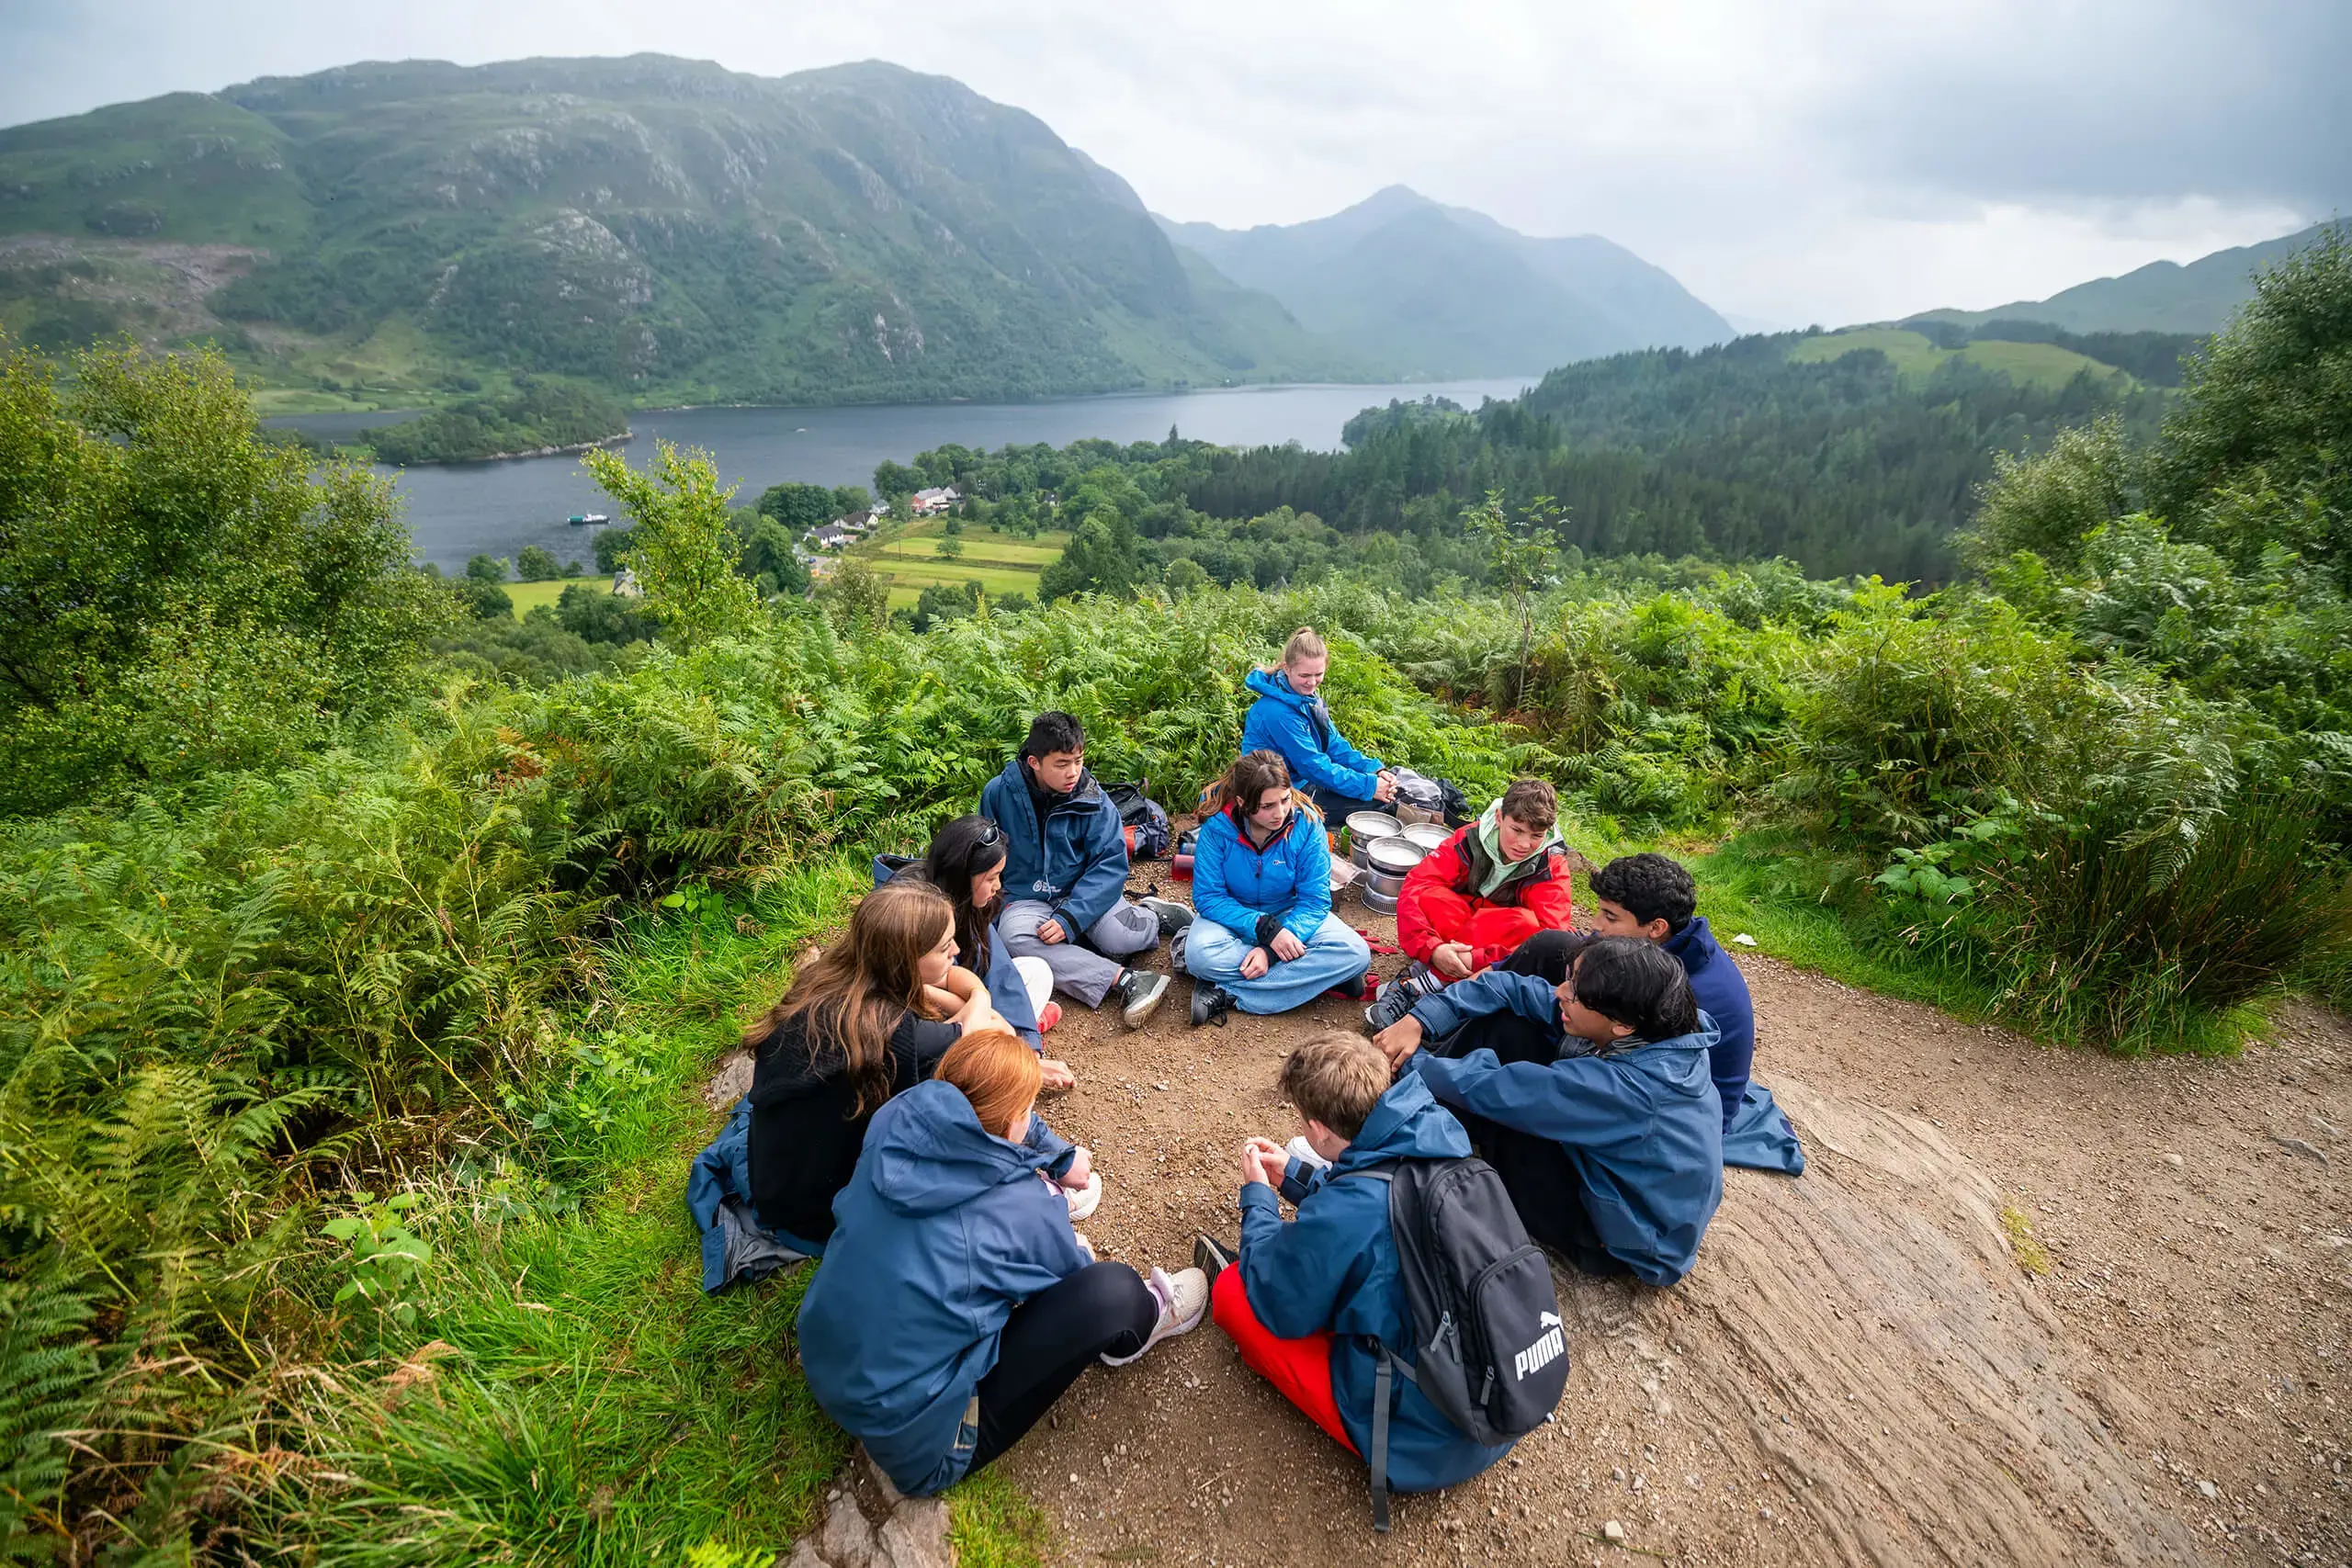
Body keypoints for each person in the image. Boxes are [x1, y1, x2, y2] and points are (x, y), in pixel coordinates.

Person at [797, 1030, 1210, 1496]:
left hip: (826, 1355)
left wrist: (1051, 1163)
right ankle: (1149, 1316)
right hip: (923, 1443)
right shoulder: (1025, 1216)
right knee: (1108, 1291)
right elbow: (1071, 1276)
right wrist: (1050, 1206)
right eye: (1029, 1111)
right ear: (1015, 1120)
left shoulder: (901, 1114)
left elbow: (988, 1128)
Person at [1190, 1032, 1517, 1497]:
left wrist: (1259, 1200)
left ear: (1320, 1129)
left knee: (1234, 1296)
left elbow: (1280, 1302)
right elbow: (1383, 1199)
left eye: (1304, 1124)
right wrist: (1300, 1177)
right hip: (1496, 1393)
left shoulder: (1347, 1213)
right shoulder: (1436, 1133)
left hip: (1429, 1443)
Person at [1374, 935, 1724, 1286]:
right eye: (1569, 978)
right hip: (1619, 1175)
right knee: (1507, 1027)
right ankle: (1413, 1102)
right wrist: (1419, 1021)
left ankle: (1400, 1110)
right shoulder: (1656, 1019)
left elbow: (1494, 1091)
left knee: (1502, 1114)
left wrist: (1409, 1060)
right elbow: (1511, 987)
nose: (1561, 992)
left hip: (1619, 1239)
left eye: (1574, 992)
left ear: (1621, 1025)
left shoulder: (1627, 1091)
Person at [744, 877, 1022, 1254]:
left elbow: (925, 992)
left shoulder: (830, 977)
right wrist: (980, 996)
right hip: (821, 1217)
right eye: (944, 948)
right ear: (906, 960)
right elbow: (988, 1039)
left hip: (775, 1182)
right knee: (982, 1082)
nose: (957, 950)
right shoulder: (902, 1037)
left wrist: (970, 1002)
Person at [980, 712, 1187, 1030]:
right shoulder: (997, 794)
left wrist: (1070, 918)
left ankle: (1150, 916)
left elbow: (1110, 864)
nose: (1073, 772)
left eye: (1078, 761)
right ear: (1034, 762)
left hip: (1083, 892)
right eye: (1062, 764)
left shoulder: (1094, 799)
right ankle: (1127, 980)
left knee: (1118, 939)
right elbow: (987, 858)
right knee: (1013, 938)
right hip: (1025, 899)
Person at [1185, 750, 1373, 1027]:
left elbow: (1315, 901)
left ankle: (1228, 993)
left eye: (1285, 800)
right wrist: (1264, 929)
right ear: (1242, 803)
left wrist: (1270, 951)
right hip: (1233, 914)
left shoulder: (1307, 825)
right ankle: (1317, 979)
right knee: (1198, 957)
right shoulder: (1217, 828)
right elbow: (1209, 897)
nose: (1280, 813)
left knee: (1356, 954)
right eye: (1267, 806)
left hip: (1289, 911)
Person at [1374, 779, 1576, 1031]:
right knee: (1428, 895)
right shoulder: (1470, 838)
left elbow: (1548, 941)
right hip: (1455, 929)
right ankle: (1441, 978)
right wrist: (1434, 948)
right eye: (1517, 830)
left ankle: (1426, 982)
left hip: (1494, 944)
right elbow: (1417, 885)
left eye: (1537, 836)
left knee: (1529, 927)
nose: (1524, 844)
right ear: (1500, 817)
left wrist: (1473, 959)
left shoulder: (1551, 865)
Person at [902, 814, 1077, 1091]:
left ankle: (1017, 1035)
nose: (997, 886)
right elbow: (916, 990)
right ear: (963, 874)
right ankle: (1005, 1048)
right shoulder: (919, 910)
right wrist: (988, 1018)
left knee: (1037, 971)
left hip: (958, 996)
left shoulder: (963, 899)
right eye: (991, 878)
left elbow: (997, 966)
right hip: (925, 1017)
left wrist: (1026, 1046)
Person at [1587, 852, 1754, 1135]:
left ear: (1656, 928)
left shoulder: (1684, 993)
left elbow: (1629, 1065)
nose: (1595, 923)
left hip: (1682, 1119)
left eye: (1610, 917)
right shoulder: (1658, 944)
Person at [1239, 626, 1398, 819]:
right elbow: (1312, 765)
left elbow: (1334, 744)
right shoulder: (1277, 712)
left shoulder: (1305, 698)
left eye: (1318, 675)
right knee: (1377, 802)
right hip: (1275, 793)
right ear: (1287, 668)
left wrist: (1373, 769)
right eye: (1305, 676)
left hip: (1301, 779)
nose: (1312, 682)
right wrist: (1369, 786)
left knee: (1385, 793)